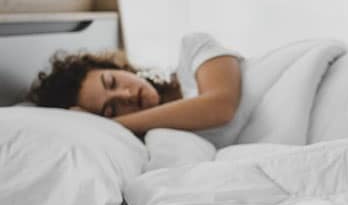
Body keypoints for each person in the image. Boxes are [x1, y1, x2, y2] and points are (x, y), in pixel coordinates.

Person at [28, 33, 244, 144]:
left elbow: (220, 107)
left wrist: (111, 123)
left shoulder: (193, 49)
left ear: (118, 67)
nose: (126, 95)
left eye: (112, 82)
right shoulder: (160, 141)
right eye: (111, 109)